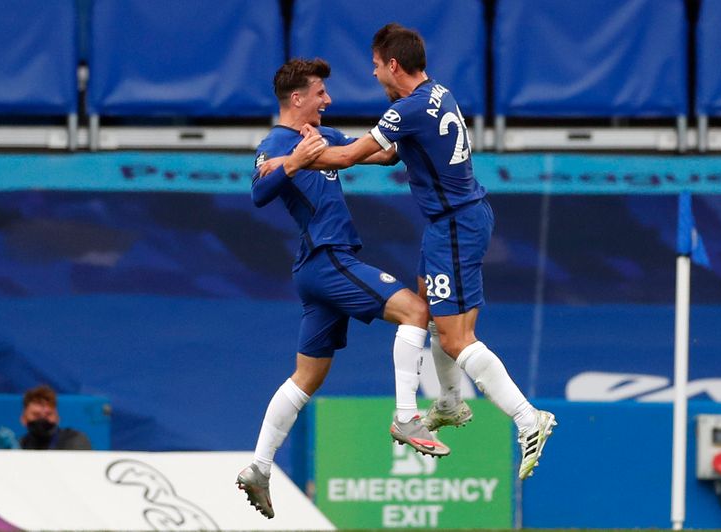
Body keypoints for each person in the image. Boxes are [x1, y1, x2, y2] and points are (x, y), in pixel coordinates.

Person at [287, 23, 556, 481]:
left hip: (454, 225)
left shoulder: (407, 108)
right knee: (428, 309)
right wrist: (335, 146)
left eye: (375, 66)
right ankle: (450, 401)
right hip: (455, 220)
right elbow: (390, 155)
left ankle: (529, 418)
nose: (373, 75)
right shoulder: (437, 93)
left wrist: (291, 159)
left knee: (455, 337)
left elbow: (350, 158)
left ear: (393, 64)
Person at [236, 58, 448, 520]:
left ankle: (259, 465)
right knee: (416, 312)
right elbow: (258, 191)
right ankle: (407, 416)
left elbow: (381, 153)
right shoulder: (276, 143)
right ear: (297, 99)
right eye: (320, 93)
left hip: (321, 269)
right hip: (328, 260)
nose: (328, 100)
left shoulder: (325, 137)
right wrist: (294, 161)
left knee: (307, 377)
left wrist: (408, 118)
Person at [0, 384, 92, 450]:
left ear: (57, 418)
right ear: (23, 419)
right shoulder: (21, 444)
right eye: (36, 415)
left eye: (48, 414)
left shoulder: (74, 440)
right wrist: (9, 458)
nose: (42, 419)